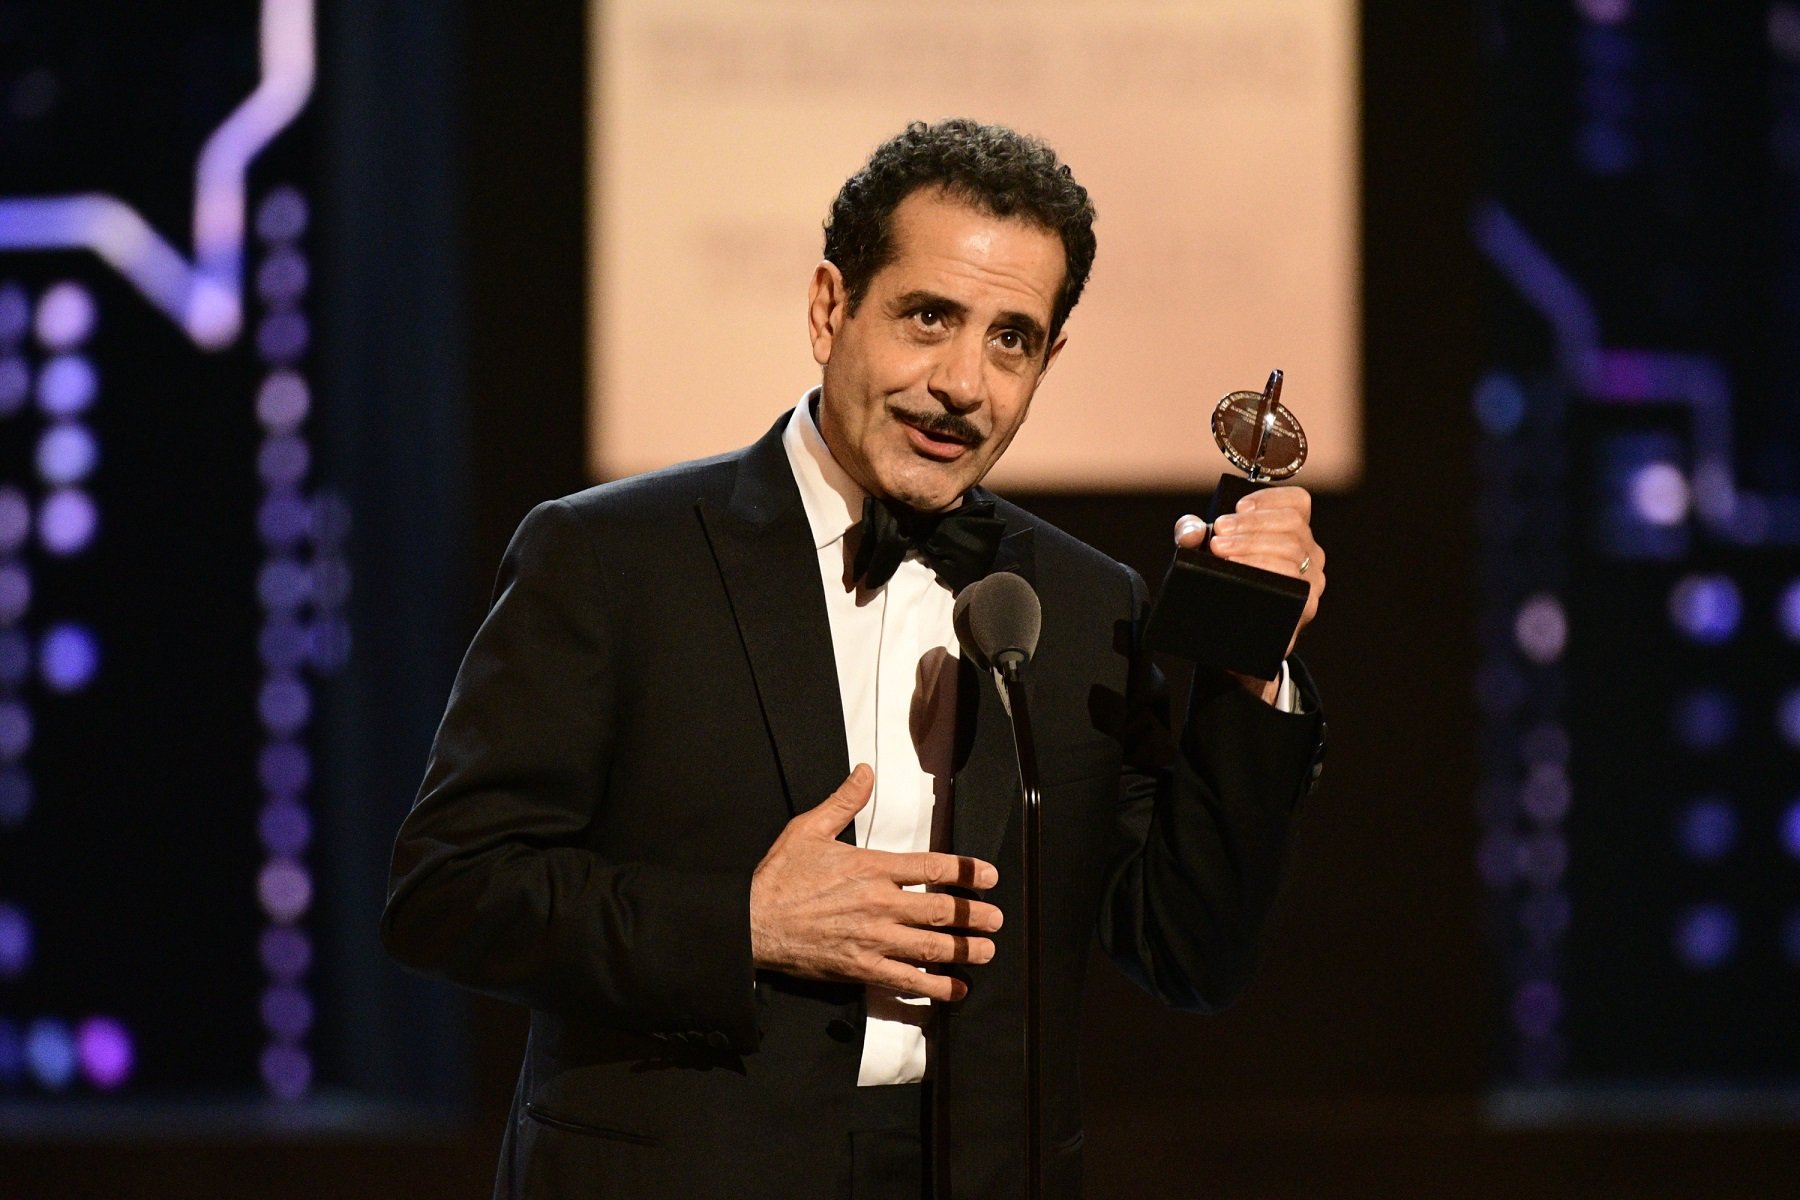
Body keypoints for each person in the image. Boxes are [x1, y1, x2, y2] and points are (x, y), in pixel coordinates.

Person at [381, 118, 1327, 1200]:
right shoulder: (608, 558)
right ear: (832, 308)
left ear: (1049, 358)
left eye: (1010, 338)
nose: (964, 382)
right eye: (930, 317)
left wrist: (1257, 670)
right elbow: (449, 892)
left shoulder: (1081, 604)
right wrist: (744, 922)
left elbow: (1191, 953)